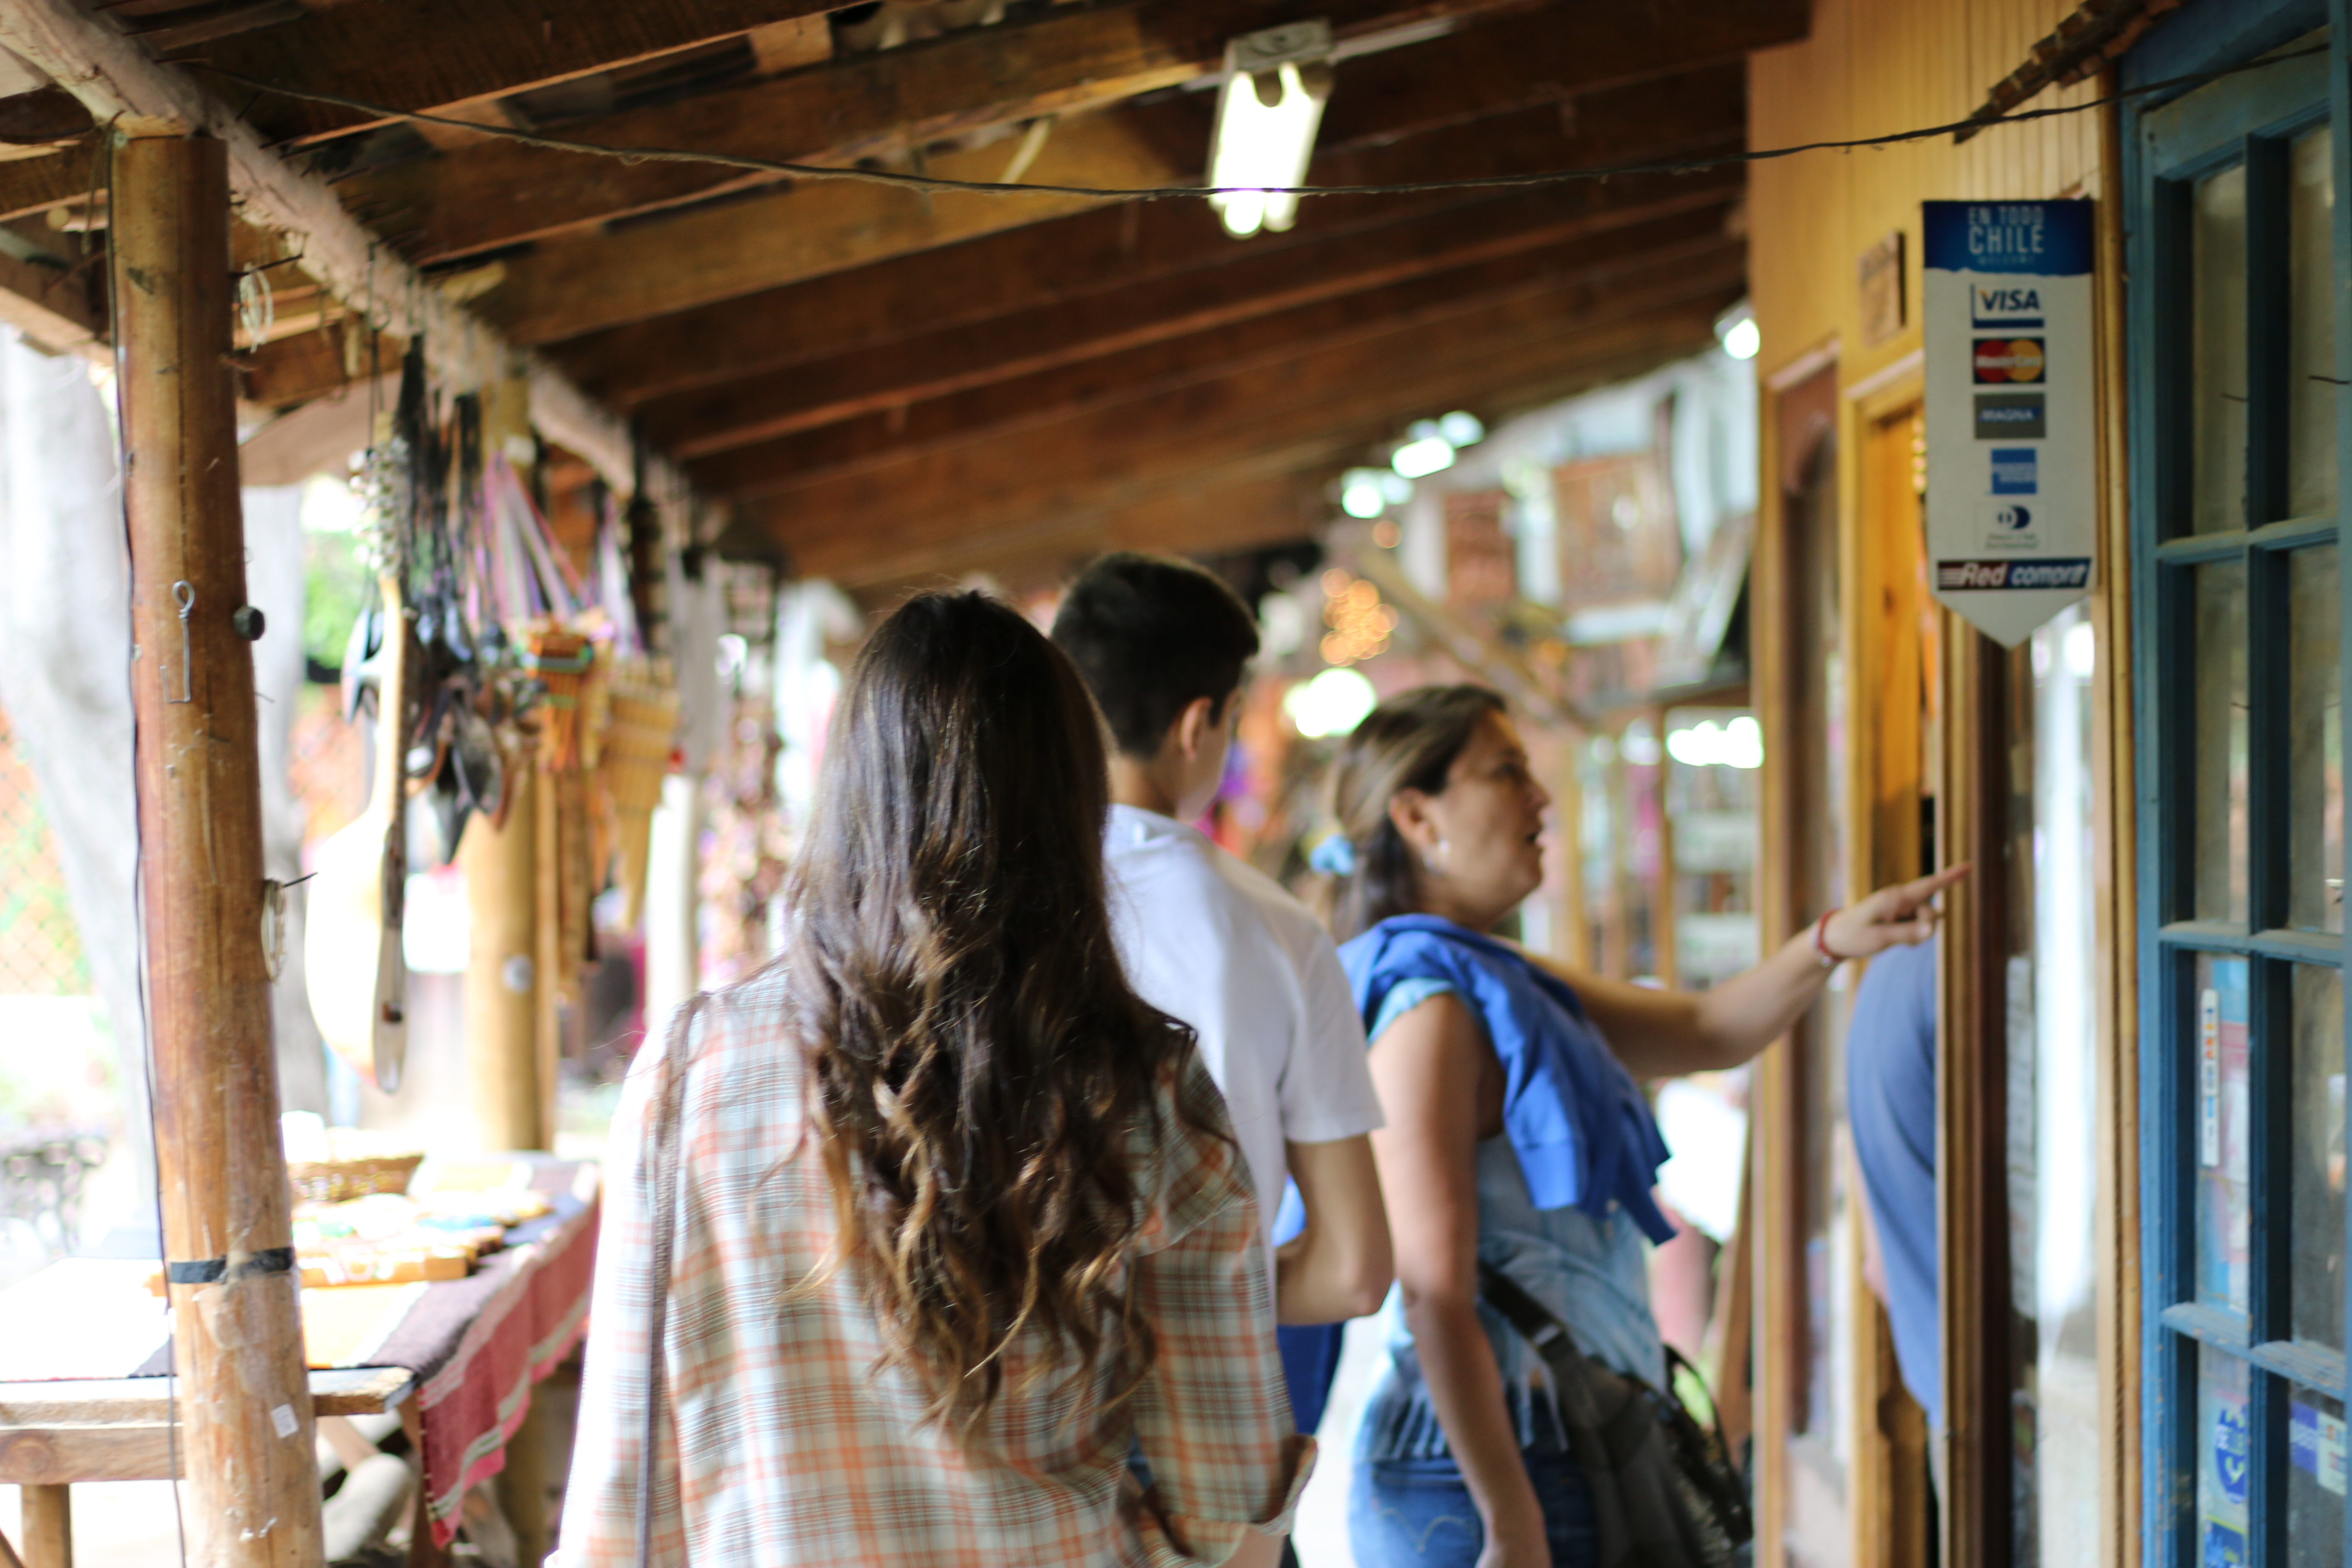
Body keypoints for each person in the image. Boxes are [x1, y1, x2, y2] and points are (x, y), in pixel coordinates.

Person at [560, 592, 1310, 1567]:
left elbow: (626, 1484)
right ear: (1068, 807)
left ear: (847, 796)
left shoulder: (692, 1067)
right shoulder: (1146, 1080)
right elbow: (1224, 1494)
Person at [1320, 685, 1963, 1568]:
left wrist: (1832, 941)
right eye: (1507, 773)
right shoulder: (1428, 1011)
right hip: (1489, 1473)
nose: (1540, 797)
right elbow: (1434, 1290)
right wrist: (1510, 1520)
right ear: (1418, 815)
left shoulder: (1497, 982)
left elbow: (1706, 1031)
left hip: (1545, 1449)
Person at [1051, 554, 1394, 1415]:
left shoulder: (971, 907)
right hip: (1207, 1426)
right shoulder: (1277, 931)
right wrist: (1188, 1298)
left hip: (1014, 1424)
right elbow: (1353, 1270)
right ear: (1199, 724)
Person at [1847, 936, 1941, 1441]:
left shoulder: (1882, 973)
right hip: (1989, 1389)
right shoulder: (1954, 976)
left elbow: (1876, 1267)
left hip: (1939, 1377)